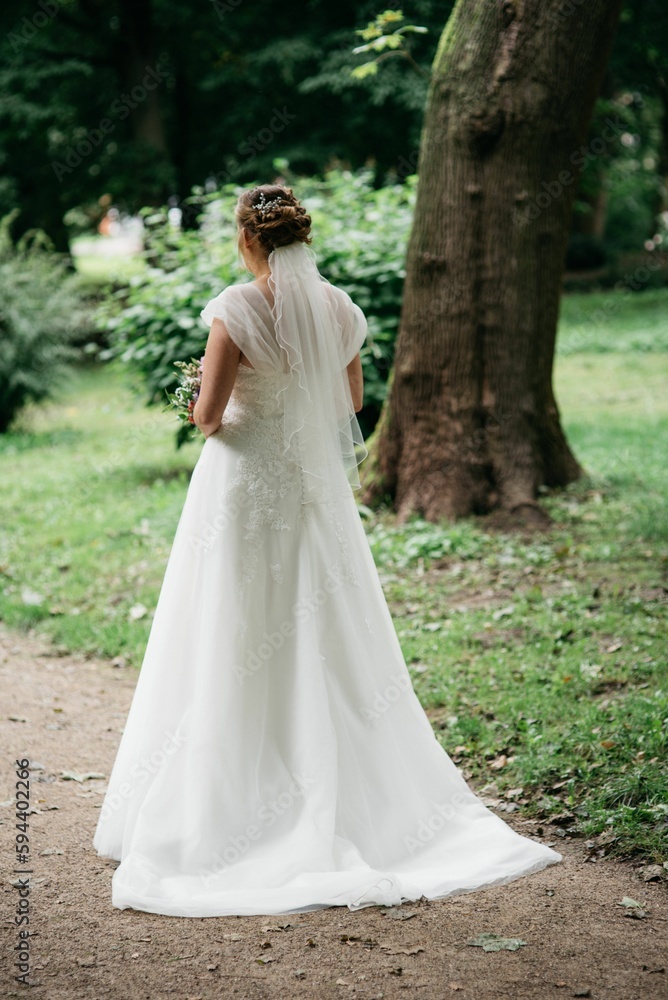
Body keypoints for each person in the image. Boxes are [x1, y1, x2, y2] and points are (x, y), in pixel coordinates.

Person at [93, 184, 562, 917]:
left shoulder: (234, 309)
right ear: (300, 238)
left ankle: (221, 805)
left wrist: (199, 398)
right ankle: (350, 791)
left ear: (249, 241)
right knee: (320, 620)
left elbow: (211, 419)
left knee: (231, 624)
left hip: (244, 486)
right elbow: (347, 404)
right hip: (310, 488)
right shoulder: (340, 309)